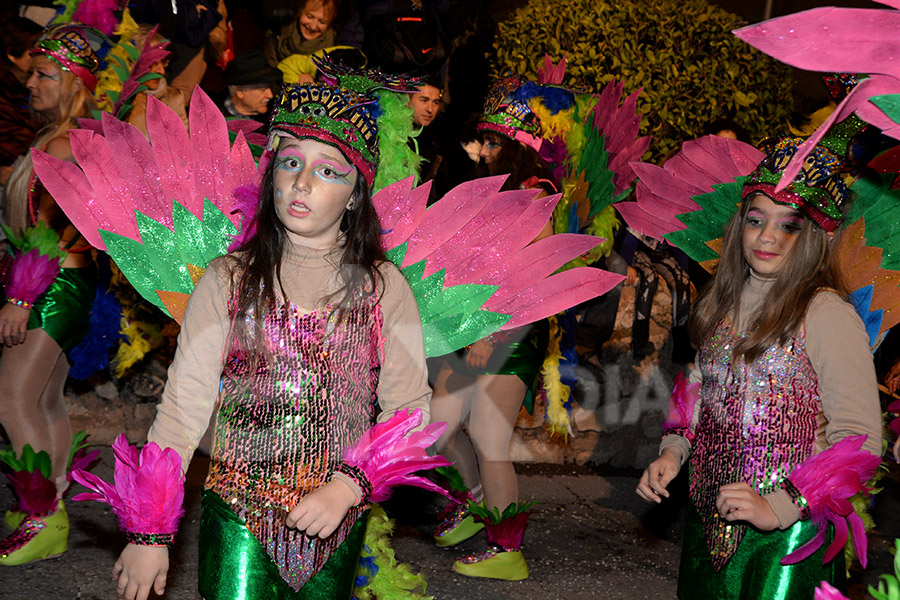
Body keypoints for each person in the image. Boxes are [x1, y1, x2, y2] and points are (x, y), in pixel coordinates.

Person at [109, 72, 432, 599]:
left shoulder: (383, 288)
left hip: (335, 518)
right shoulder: (227, 279)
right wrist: (150, 531)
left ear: (355, 195)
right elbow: (184, 403)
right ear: (271, 176)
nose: (302, 182)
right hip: (238, 512)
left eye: (328, 171)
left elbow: (410, 409)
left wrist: (350, 487)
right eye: (290, 162)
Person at [635, 136, 883, 598]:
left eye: (788, 226)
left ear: (815, 236)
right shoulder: (722, 303)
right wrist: (672, 452)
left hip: (786, 541)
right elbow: (697, 393)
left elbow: (861, 439)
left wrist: (783, 505)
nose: (766, 237)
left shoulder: (825, 312)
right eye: (755, 221)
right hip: (709, 522)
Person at [0, 24, 100, 565]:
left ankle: (40, 517)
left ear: (73, 84)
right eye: (31, 73)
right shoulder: (57, 138)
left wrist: (20, 298)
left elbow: (68, 228)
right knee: (45, 400)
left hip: (52, 283)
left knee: (10, 399)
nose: (30, 83)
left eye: (44, 74)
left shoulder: (65, 145)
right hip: (64, 281)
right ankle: (49, 508)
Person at [264, 0, 338, 73]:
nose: (313, 27)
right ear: (300, 12)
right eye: (309, 17)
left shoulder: (335, 49)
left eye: (322, 22)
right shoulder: (278, 38)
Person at [220, 49, 283, 126]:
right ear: (240, 92)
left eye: (269, 87)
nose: (270, 95)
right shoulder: (216, 122)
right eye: (263, 90)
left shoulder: (276, 116)